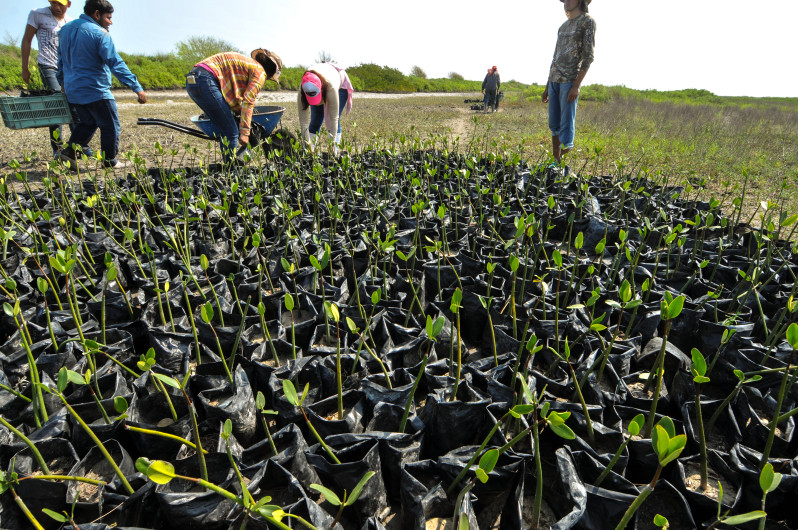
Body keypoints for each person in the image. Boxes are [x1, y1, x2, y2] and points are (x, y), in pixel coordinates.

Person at [57, 0, 146, 169]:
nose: (110, 22)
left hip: (73, 90)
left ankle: (69, 152)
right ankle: (110, 161)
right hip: (95, 89)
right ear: (97, 14)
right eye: (108, 17)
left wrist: (62, 82)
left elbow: (60, 62)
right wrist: (137, 87)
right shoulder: (100, 34)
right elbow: (115, 63)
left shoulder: (65, 30)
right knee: (110, 125)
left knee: (88, 122)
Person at [185, 49, 282, 163]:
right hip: (206, 79)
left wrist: (237, 110)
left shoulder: (248, 65)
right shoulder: (260, 72)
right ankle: (230, 170)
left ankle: (229, 165)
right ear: (271, 71)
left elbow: (229, 92)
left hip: (194, 78)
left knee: (226, 124)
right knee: (231, 132)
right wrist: (245, 133)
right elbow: (248, 101)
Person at [542, 0, 596, 164]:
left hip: (569, 81)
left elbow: (588, 57)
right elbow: (555, 57)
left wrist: (576, 85)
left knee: (566, 125)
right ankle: (555, 162)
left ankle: (560, 161)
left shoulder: (587, 21)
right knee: (554, 125)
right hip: (554, 80)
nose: (566, 2)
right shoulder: (563, 27)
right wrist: (547, 87)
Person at [21, 0, 73, 158]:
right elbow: (27, 40)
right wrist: (25, 68)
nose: (56, 7)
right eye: (53, 3)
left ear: (69, 4)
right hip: (47, 65)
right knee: (56, 103)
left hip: (65, 68)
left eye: (60, 4)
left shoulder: (70, 22)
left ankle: (77, 145)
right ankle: (57, 149)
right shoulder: (37, 14)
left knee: (72, 103)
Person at [298, 62, 354, 154]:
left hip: (339, 83)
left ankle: (334, 152)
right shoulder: (303, 88)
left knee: (332, 119)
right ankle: (309, 152)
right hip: (318, 81)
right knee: (316, 120)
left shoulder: (331, 87)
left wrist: (331, 144)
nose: (317, 104)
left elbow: (334, 119)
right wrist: (308, 146)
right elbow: (303, 122)